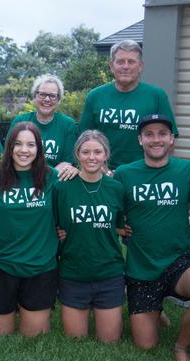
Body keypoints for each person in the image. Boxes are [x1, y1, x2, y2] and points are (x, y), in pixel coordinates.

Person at [114, 114, 190, 361]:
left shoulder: (186, 169)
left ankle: (181, 347)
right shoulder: (125, 173)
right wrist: (121, 228)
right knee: (146, 346)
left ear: (172, 139)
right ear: (140, 140)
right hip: (142, 268)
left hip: (178, 260)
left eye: (162, 133)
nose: (156, 139)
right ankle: (155, 308)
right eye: (149, 134)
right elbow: (113, 212)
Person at [0, 122, 59, 337]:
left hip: (40, 266)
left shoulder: (52, 177)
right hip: (1, 265)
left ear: (39, 149)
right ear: (9, 147)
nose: (24, 150)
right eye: (18, 144)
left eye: (31, 145)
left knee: (34, 336)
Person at [55, 130, 125, 343]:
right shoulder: (62, 188)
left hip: (108, 273)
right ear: (77, 154)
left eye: (97, 151)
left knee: (109, 341)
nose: (91, 157)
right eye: (85, 152)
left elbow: (121, 226)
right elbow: (52, 223)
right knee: (75, 341)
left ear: (106, 155)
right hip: (73, 273)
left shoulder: (116, 188)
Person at [79, 40, 177, 173]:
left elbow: (170, 140)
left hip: (142, 174)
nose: (126, 66)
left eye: (131, 62)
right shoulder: (95, 96)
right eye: (120, 62)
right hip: (102, 174)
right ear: (111, 66)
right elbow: (82, 139)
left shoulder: (157, 96)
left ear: (141, 66)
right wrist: (100, 168)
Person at [8, 74, 78, 180]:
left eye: (52, 96)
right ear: (35, 96)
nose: (47, 99)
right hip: (21, 179)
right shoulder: (20, 121)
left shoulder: (68, 125)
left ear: (59, 100)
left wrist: (44, 180)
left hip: (53, 181)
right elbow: (9, 154)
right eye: (42, 94)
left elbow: (67, 162)